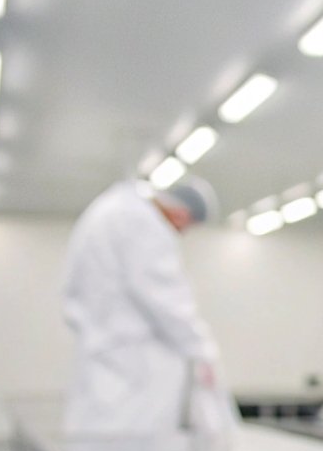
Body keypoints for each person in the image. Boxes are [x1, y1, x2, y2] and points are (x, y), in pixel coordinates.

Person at [59, 176, 231, 434]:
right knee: (134, 448)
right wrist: (203, 350)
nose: (181, 232)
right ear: (182, 214)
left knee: (101, 439)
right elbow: (167, 300)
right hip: (134, 362)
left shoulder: (111, 209)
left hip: (106, 351)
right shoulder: (142, 223)